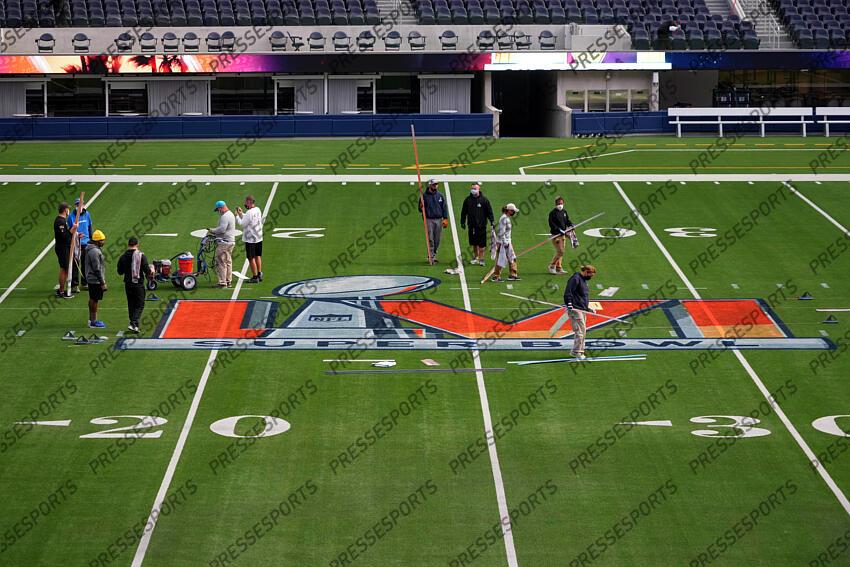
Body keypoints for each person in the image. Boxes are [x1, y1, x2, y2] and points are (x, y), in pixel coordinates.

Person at [117, 236, 154, 334]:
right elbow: (147, 271)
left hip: (128, 283)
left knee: (131, 304)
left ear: (128, 244)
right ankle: (133, 323)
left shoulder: (123, 256)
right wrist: (152, 270)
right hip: (138, 283)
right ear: (137, 245)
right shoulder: (141, 256)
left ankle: (134, 325)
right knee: (140, 304)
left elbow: (120, 271)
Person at [564, 264, 597, 360]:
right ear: (586, 272)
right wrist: (569, 303)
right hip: (575, 309)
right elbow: (568, 292)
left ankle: (577, 350)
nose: (590, 277)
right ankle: (577, 352)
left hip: (581, 308)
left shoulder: (583, 280)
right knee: (580, 331)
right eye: (590, 275)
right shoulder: (575, 279)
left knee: (582, 330)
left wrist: (588, 308)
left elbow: (582, 297)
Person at [460, 183, 494, 266]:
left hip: (481, 226)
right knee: (474, 243)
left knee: (482, 244)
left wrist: (492, 220)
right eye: (472, 188)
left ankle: (482, 259)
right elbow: (463, 212)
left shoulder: (484, 200)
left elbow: (489, 211)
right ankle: (476, 257)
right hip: (471, 225)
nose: (473, 190)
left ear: (479, 189)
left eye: (475, 188)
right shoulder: (467, 200)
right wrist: (462, 222)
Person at [418, 178, 448, 263]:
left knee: (437, 239)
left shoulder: (440, 196)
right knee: (430, 238)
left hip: (439, 219)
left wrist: (445, 218)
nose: (436, 186)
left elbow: (444, 208)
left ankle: (434, 253)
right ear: (430, 185)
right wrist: (421, 206)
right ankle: (430, 256)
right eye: (434, 184)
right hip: (428, 219)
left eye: (437, 184)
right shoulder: (424, 196)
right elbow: (420, 209)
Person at [68, 198, 93, 293]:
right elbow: (69, 230)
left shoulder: (87, 214)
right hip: (76, 244)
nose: (80, 207)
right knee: (75, 264)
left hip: (86, 243)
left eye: (81, 204)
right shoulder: (71, 217)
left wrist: (91, 239)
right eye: (78, 205)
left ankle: (85, 282)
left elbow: (90, 226)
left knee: (86, 263)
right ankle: (74, 285)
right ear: (76, 206)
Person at [208, 200, 236, 288]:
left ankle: (222, 282)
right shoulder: (230, 214)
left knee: (220, 262)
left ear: (221, 207)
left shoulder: (225, 216)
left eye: (218, 209)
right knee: (227, 262)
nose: (218, 212)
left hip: (224, 243)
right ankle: (228, 281)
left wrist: (212, 231)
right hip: (230, 242)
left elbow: (222, 229)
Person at [236, 195, 263, 283]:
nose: (244, 204)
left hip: (251, 239)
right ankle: (259, 273)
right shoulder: (257, 209)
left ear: (249, 202)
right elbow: (249, 218)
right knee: (258, 255)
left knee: (251, 258)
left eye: (246, 202)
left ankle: (255, 277)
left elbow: (243, 224)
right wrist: (241, 214)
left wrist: (237, 216)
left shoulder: (249, 213)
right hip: (258, 237)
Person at [85, 230, 108, 328]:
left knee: (92, 299)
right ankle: (94, 321)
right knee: (95, 300)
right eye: (102, 240)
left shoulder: (91, 249)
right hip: (95, 280)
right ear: (98, 241)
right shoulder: (94, 251)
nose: (104, 242)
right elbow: (97, 269)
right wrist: (102, 283)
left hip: (91, 278)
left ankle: (91, 319)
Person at [492, 203, 520, 282]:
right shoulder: (504, 219)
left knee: (512, 257)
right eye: (513, 211)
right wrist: (505, 243)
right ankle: (496, 276)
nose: (514, 213)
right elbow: (502, 232)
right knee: (501, 259)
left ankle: (513, 274)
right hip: (503, 243)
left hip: (507, 242)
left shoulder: (506, 218)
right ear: (509, 211)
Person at [53, 202, 75, 298]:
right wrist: (72, 230)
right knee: (64, 268)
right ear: (65, 210)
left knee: (65, 268)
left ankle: (61, 290)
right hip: (62, 248)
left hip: (64, 247)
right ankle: (61, 291)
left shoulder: (62, 220)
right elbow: (64, 236)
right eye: (67, 209)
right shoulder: (60, 221)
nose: (68, 210)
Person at [548, 196, 573, 275]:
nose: (560, 205)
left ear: (563, 203)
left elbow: (567, 221)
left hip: (563, 235)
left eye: (561, 203)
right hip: (556, 235)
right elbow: (551, 224)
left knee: (561, 252)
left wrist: (571, 225)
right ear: (556, 204)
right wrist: (559, 230)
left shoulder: (564, 212)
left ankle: (559, 268)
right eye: (558, 203)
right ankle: (552, 266)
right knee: (560, 251)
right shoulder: (552, 213)